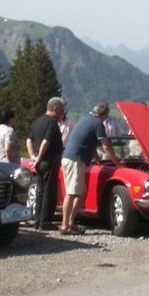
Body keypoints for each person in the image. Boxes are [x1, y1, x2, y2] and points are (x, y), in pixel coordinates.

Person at [60, 101, 121, 235]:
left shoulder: (86, 120)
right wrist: (117, 163)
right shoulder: (98, 123)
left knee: (81, 192)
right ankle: (65, 225)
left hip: (70, 158)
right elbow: (105, 146)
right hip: (76, 159)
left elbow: (89, 143)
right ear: (104, 114)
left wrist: (98, 160)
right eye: (107, 115)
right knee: (72, 193)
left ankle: (70, 222)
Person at [27, 97, 66, 229]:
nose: (63, 113)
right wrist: (39, 158)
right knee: (49, 190)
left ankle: (37, 220)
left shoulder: (39, 121)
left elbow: (29, 140)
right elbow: (46, 141)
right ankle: (45, 222)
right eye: (61, 110)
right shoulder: (52, 123)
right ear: (55, 109)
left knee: (40, 190)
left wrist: (33, 156)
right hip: (49, 160)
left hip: (40, 161)